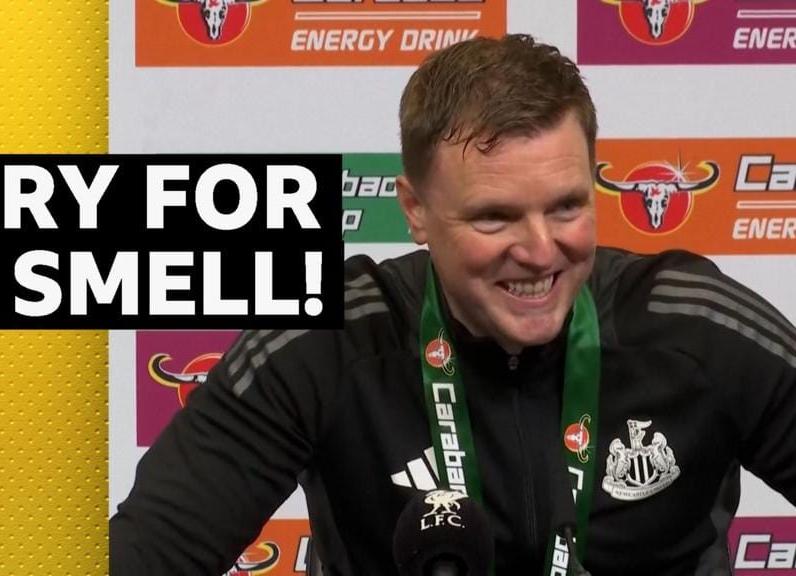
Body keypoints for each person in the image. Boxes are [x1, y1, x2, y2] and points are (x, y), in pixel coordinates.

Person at [110, 33, 796, 575]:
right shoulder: (329, 340)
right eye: (495, 217)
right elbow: (142, 555)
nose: (541, 251)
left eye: (566, 207)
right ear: (415, 211)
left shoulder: (694, 326)